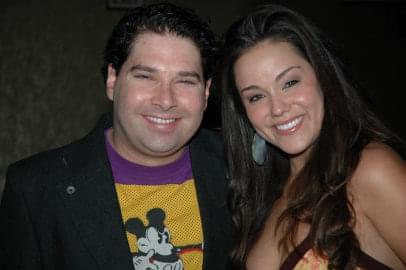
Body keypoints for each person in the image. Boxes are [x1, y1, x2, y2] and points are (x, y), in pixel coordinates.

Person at [0, 3, 231, 270]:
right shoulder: (35, 190)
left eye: (186, 81)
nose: (166, 100)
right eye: (145, 76)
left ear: (205, 93)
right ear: (113, 80)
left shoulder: (242, 169)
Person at [220, 4, 406, 270]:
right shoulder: (261, 198)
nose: (278, 108)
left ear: (322, 76)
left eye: (290, 83)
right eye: (256, 96)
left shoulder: (369, 170)